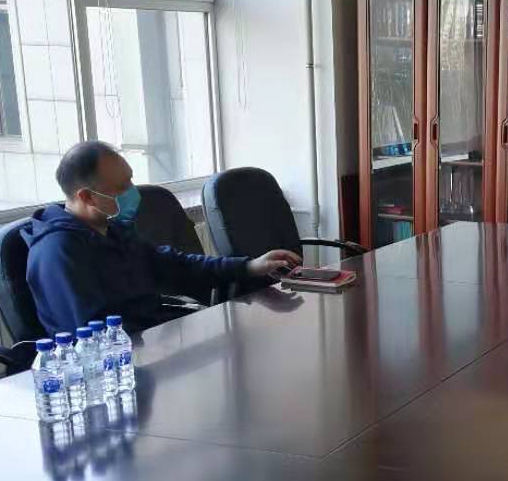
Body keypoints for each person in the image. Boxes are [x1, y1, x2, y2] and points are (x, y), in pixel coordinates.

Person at [23, 141, 301, 336]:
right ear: (86, 197)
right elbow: (94, 334)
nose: (133, 192)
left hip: (153, 341)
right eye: (121, 187)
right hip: (118, 368)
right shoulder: (57, 252)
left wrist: (249, 266)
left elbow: (177, 265)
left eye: (130, 180)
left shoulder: (112, 229)